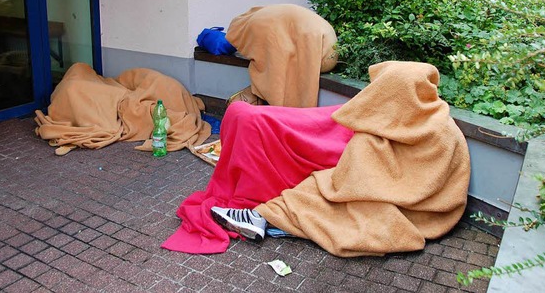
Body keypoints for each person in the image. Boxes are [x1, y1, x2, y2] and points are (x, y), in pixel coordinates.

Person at [162, 61, 471, 257]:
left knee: (323, 196)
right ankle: (267, 219)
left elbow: (436, 183)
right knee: (317, 190)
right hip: (368, 181)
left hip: (410, 205)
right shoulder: (402, 117)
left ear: (398, 94)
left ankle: (267, 221)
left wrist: (368, 173)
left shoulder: (443, 133)